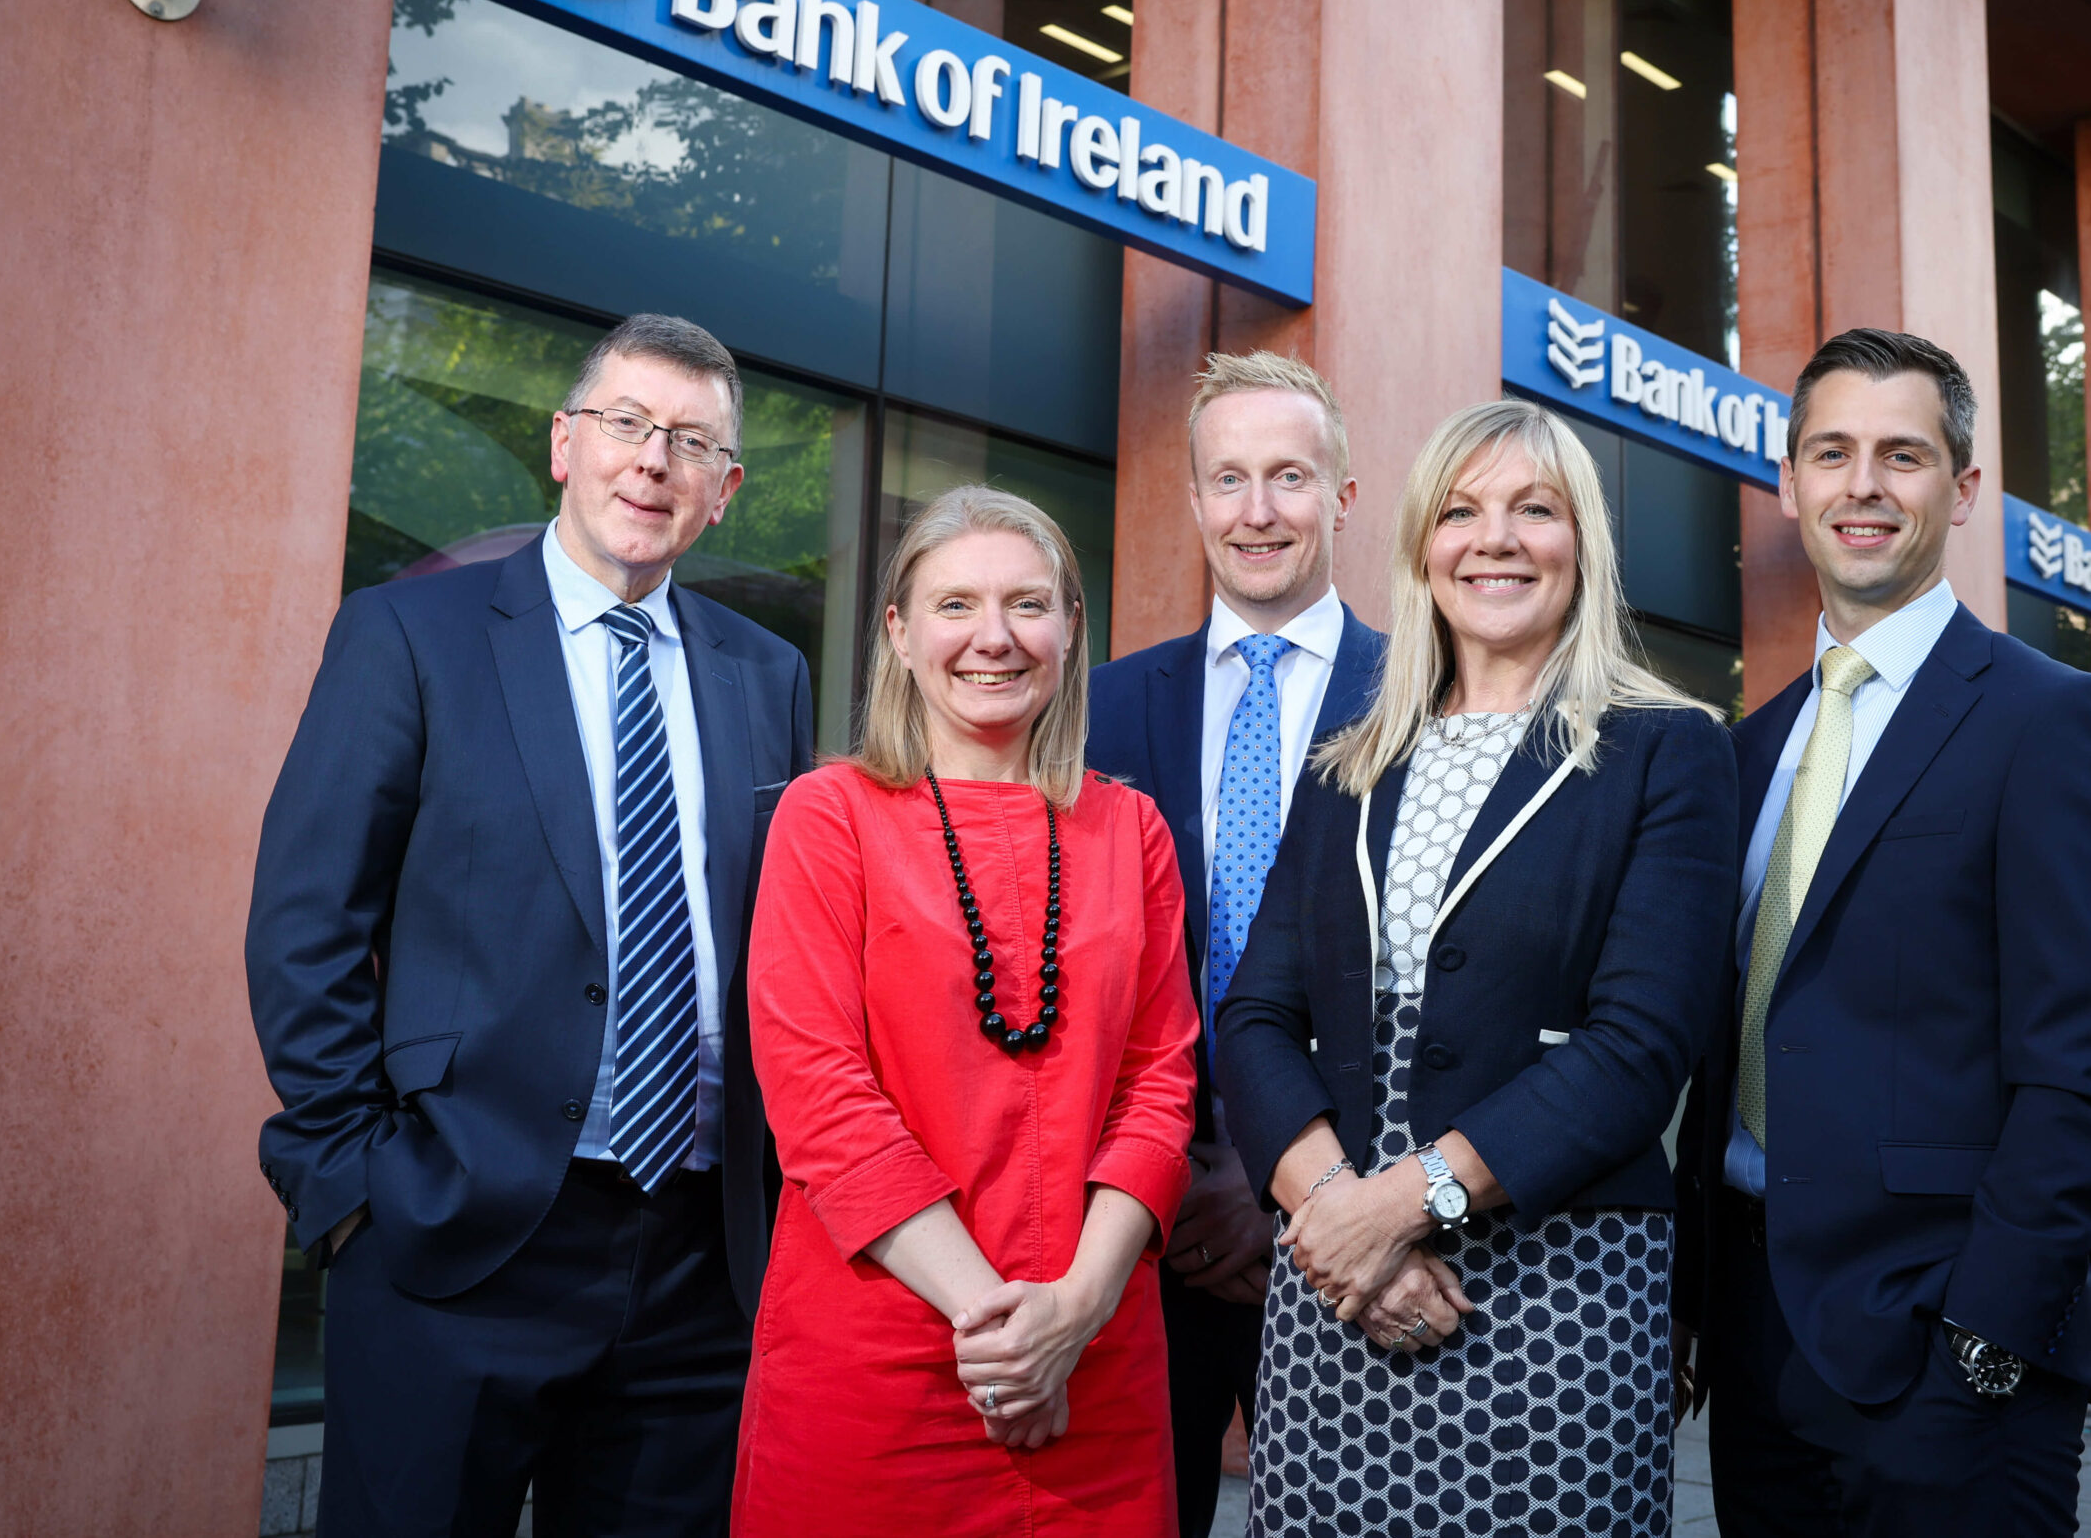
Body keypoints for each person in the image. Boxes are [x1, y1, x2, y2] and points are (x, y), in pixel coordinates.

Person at [247, 314, 813, 1536]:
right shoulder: (411, 636)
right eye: (626, 424)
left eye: (690, 442)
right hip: (460, 1232)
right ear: (565, 444)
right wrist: (356, 1178)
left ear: (725, 491)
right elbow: (307, 919)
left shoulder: (766, 675)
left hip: (696, 1260)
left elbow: (782, 943)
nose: (652, 460)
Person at [1215, 398, 1738, 1536]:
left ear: (1581, 544)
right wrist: (1337, 1217)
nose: (1493, 539)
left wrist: (1405, 1205)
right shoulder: (1347, 763)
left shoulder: (1667, 749)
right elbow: (1254, 1015)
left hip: (1554, 1299)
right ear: (1420, 549)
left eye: (1532, 510)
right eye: (1460, 512)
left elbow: (1638, 1050)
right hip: (1335, 1300)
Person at [1673, 327, 2091, 1536]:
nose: (1863, 486)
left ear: (1965, 488)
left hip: (1951, 1359)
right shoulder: (1742, 752)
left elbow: (2086, 1083)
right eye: (1830, 453)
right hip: (1756, 1340)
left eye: (1903, 454)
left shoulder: (2054, 725)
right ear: (1786, 487)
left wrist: (1980, 1356)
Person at [735, 485, 1199, 1538]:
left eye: (1027, 605)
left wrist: (1073, 1313)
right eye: (954, 606)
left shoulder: (1133, 831)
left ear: (1071, 631)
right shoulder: (828, 816)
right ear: (897, 633)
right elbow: (816, 1095)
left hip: (1096, 1363)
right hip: (879, 1358)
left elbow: (1160, 1086)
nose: (992, 638)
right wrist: (1002, 1332)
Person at [1084, 349, 1384, 1538]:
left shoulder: (1426, 695)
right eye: (1229, 480)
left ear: (1343, 499)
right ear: (1194, 499)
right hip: (1135, 1238)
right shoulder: (1102, 708)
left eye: (1290, 478)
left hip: (1353, 1227)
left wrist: (1287, 1188)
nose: (1257, 512)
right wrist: (1174, 1180)